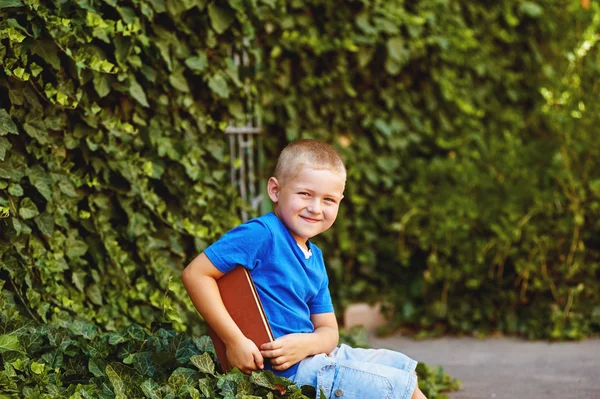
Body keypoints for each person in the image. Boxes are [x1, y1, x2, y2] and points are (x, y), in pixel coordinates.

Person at [182, 139, 427, 399]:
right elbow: (196, 274)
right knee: (403, 388)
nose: (315, 208)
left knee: (402, 367)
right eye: (305, 194)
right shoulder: (262, 234)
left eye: (329, 199)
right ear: (275, 190)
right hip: (283, 374)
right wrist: (234, 340)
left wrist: (305, 344)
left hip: (310, 357)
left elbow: (329, 332)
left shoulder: (316, 258)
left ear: (340, 202)